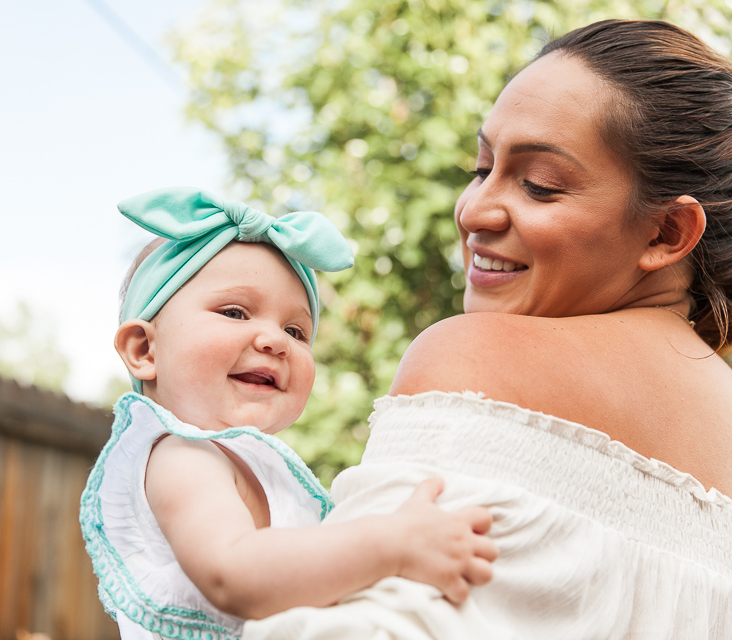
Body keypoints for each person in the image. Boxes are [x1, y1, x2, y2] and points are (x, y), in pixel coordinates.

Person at [242, 19, 732, 640]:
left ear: (666, 233)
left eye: (539, 185)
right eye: (481, 167)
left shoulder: (478, 360)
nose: (473, 211)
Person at [79, 188, 501, 640]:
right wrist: (392, 543)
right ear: (145, 350)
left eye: (295, 330)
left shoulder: (248, 464)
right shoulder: (180, 457)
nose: (274, 340)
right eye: (236, 312)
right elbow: (234, 573)